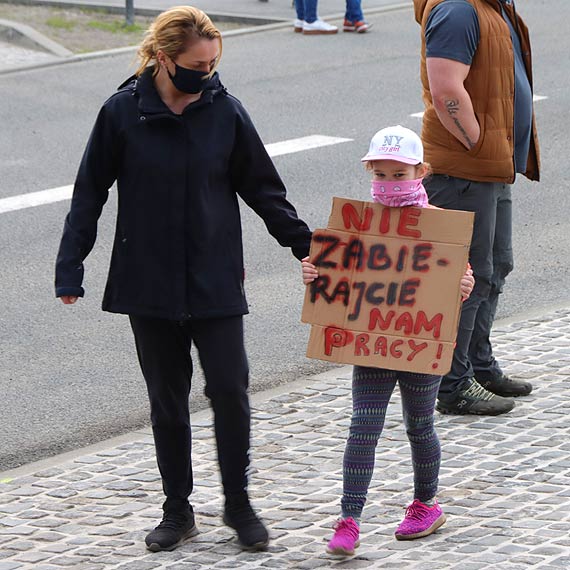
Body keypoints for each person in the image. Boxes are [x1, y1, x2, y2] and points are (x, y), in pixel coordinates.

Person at [55, 5, 313, 553]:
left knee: (229, 390)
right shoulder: (123, 112)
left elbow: (265, 190)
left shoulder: (226, 111)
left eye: (215, 62)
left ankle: (238, 503)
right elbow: (89, 192)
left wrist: (306, 247)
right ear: (164, 59)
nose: (209, 73)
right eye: (199, 64)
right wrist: (70, 263)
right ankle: (178, 510)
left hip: (215, 278)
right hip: (147, 281)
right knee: (166, 400)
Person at [301, 125, 475, 556]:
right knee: (363, 427)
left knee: (420, 425)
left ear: (421, 171)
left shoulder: (441, 230)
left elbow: (453, 283)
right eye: (381, 175)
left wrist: (463, 284)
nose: (389, 184)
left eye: (399, 175)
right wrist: (314, 274)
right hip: (374, 342)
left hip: (419, 344)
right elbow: (338, 281)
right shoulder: (357, 228)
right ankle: (349, 519)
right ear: (369, 174)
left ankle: (425, 504)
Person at [413, 0, 540, 415]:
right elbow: (447, 88)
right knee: (464, 277)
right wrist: (479, 144)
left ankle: (478, 365)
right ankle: (453, 385)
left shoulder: (492, 5)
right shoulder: (458, 9)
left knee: (495, 266)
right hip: (464, 170)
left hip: (490, 166)